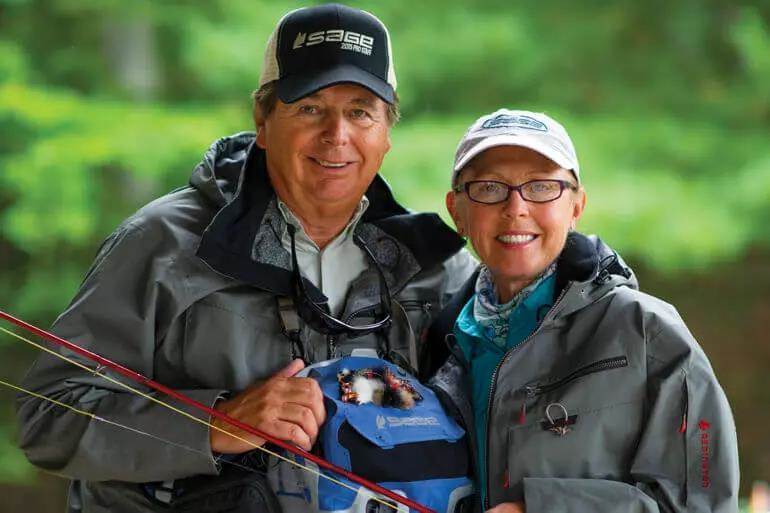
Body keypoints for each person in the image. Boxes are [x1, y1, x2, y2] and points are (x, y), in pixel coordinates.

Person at [15, 4, 476, 512]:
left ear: (386, 132)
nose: (337, 134)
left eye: (361, 111)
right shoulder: (163, 243)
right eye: (310, 107)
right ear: (262, 119)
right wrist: (212, 422)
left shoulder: (432, 266)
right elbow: (47, 418)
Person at [425, 109, 739, 512]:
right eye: (489, 188)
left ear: (576, 206)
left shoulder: (648, 334)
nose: (516, 207)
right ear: (456, 210)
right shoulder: (438, 343)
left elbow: (702, 504)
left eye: (541, 187)